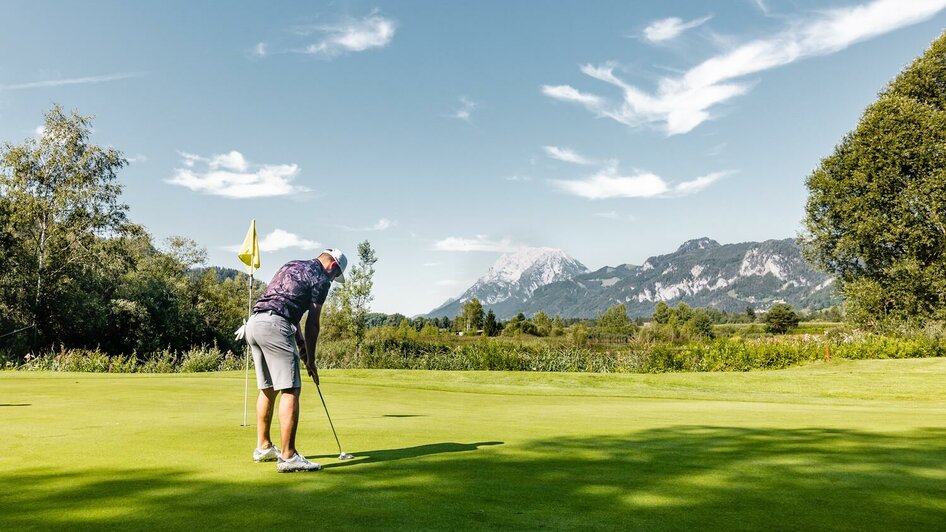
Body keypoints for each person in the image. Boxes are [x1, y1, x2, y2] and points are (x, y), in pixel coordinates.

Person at [244, 248, 347, 472]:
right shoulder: (321, 278)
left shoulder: (292, 265)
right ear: (332, 266)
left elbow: (290, 312)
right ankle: (288, 457)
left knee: (268, 388)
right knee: (290, 389)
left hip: (254, 324)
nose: (332, 279)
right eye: (334, 274)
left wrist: (301, 348)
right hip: (275, 325)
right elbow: (312, 324)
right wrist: (311, 359)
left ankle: (263, 447)